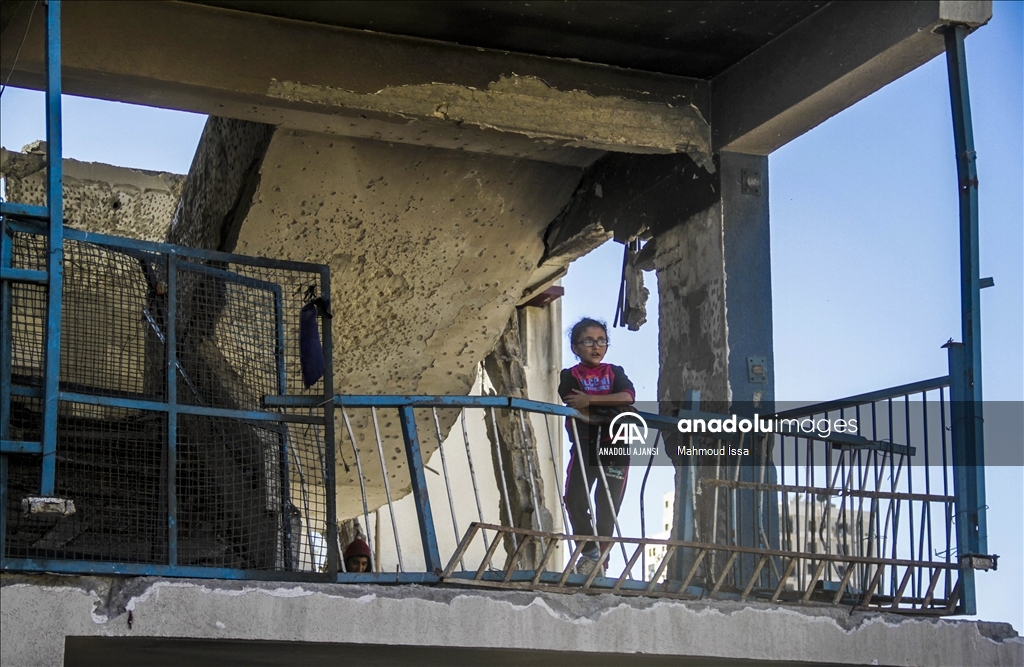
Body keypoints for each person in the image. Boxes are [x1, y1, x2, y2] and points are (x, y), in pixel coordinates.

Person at [558, 317, 635, 576]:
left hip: (616, 446)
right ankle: (591, 552)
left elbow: (627, 397)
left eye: (601, 341)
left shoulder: (615, 371)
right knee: (575, 499)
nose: (596, 347)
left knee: (608, 505)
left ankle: (600, 558)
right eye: (588, 341)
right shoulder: (570, 375)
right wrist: (610, 406)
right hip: (584, 446)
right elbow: (573, 402)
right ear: (575, 347)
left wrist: (590, 400)